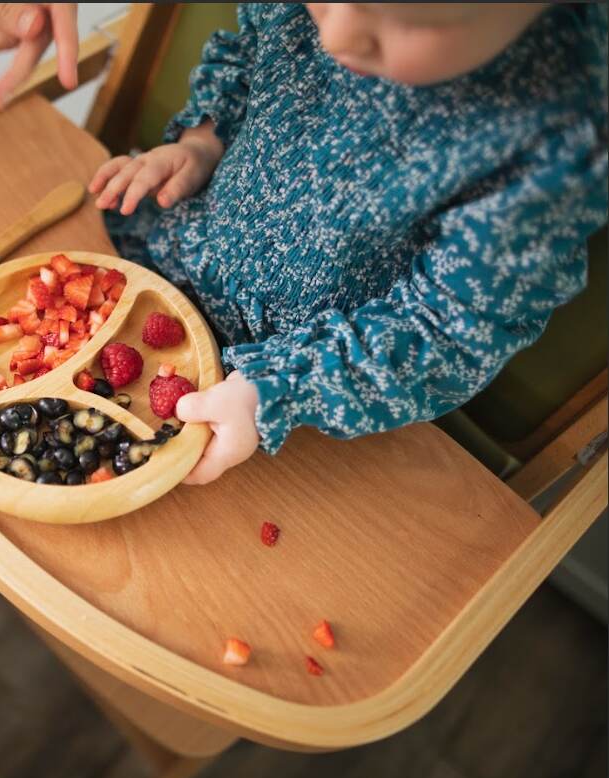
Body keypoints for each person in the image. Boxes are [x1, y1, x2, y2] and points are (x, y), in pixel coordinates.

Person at [88, 3, 608, 483]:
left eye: (414, 24)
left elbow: (447, 331)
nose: (337, 36)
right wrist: (203, 140)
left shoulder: (557, 136)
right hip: (165, 258)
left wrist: (277, 390)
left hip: (297, 399)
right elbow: (251, 46)